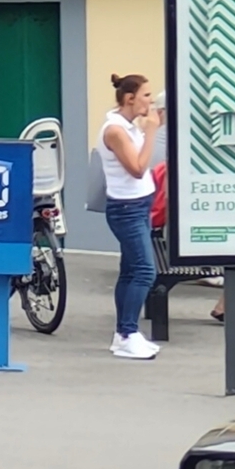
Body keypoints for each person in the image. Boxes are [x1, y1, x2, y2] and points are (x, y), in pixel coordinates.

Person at [101, 73, 164, 360]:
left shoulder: (128, 126)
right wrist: (151, 131)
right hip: (126, 210)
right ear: (130, 99)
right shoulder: (115, 130)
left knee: (129, 271)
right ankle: (128, 333)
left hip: (139, 205)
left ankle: (123, 334)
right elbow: (137, 168)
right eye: (146, 96)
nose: (151, 102)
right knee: (144, 271)